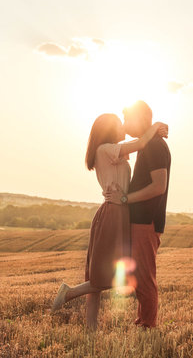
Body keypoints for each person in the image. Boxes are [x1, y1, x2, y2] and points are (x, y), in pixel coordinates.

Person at [51, 112, 168, 331]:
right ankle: (69, 293)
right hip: (114, 212)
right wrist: (155, 127)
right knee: (107, 276)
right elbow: (141, 142)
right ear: (108, 129)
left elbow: (138, 144)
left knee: (101, 274)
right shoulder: (105, 150)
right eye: (119, 122)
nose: (123, 125)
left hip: (119, 211)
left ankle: (90, 331)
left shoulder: (112, 150)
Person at [105, 100, 171, 329]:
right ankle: (143, 320)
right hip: (141, 219)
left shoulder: (154, 145)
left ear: (139, 119)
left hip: (146, 220)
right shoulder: (148, 143)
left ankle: (148, 326)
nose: (124, 123)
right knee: (140, 276)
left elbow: (158, 186)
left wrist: (124, 199)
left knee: (144, 277)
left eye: (127, 118)